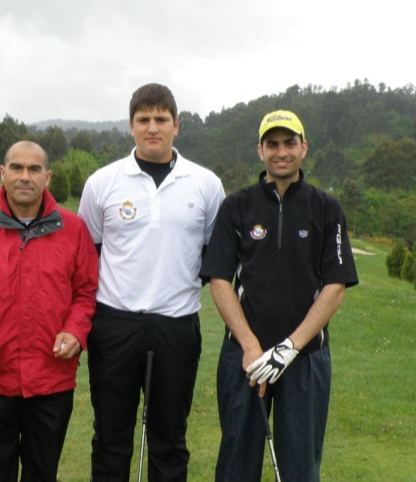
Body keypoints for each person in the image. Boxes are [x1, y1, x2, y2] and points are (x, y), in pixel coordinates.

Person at [200, 110, 359, 482]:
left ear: (304, 147)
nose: (281, 152)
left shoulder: (326, 208)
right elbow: (219, 280)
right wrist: (251, 345)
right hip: (245, 358)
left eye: (290, 143)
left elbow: (335, 288)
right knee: (237, 459)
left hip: (305, 358)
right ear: (260, 150)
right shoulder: (237, 206)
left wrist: (290, 347)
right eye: (272, 144)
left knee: (301, 465)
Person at [78, 83, 225, 482]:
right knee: (110, 437)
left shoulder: (206, 184)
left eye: (161, 119)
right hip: (115, 324)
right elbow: (88, 253)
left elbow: (215, 256)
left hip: (176, 325)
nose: (152, 127)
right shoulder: (102, 183)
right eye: (144, 119)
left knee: (170, 440)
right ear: (130, 126)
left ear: (177, 125)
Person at [0, 141, 99, 482]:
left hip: (52, 380)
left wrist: (75, 331)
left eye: (34, 169)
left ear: (48, 177)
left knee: (42, 473)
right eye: (17, 168)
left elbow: (86, 293)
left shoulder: (73, 230)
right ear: (3, 173)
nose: (25, 176)